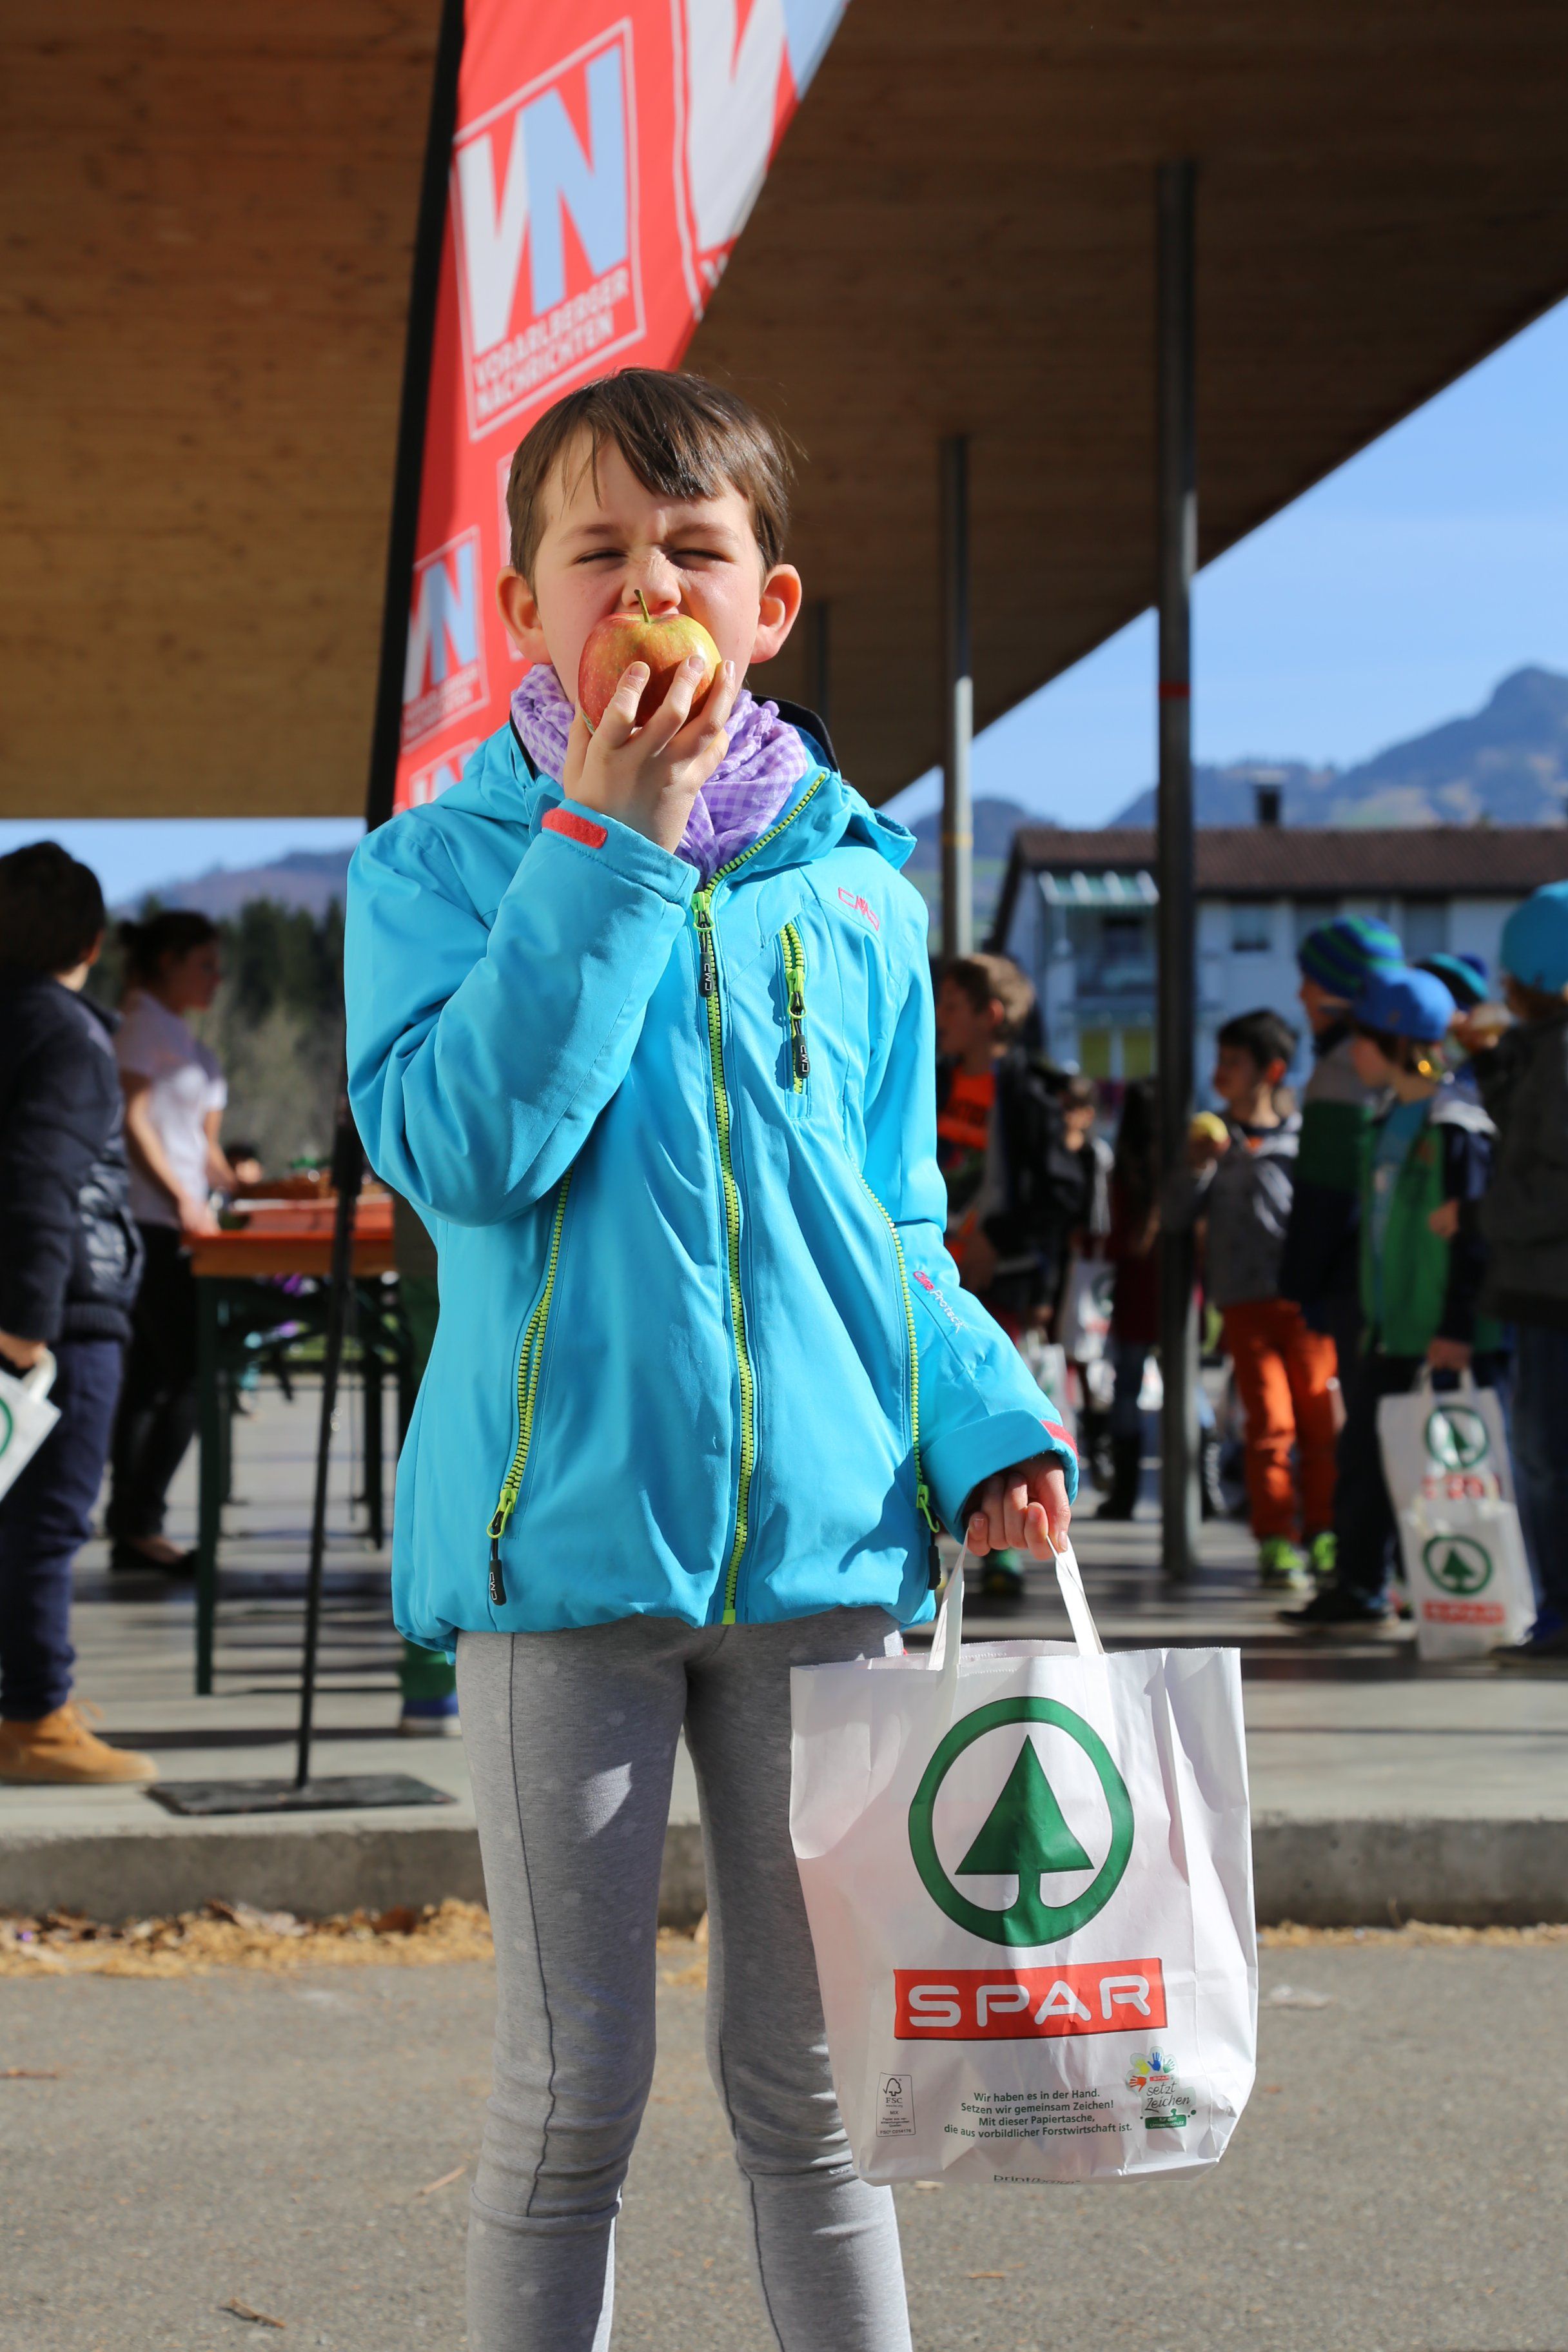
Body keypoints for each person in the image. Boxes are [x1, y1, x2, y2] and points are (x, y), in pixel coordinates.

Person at [345, 366, 1076, 2352]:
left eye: (694, 550)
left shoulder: (858, 888)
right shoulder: (432, 873)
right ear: (527, 609)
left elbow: (893, 1225)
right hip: (560, 1557)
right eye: (600, 552)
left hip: (828, 1560)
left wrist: (986, 1421)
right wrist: (612, 834)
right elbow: (466, 1154)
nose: (649, 585)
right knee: (572, 2091)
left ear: (771, 606)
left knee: (820, 2098)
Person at [0, 845, 156, 1785]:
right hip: (59, 1319)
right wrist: (26, 1327)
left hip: (37, 1307)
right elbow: (40, 1182)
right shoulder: (68, 1038)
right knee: (47, 1522)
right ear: (93, 943)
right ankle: (35, 1719)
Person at [1285, 965, 1494, 1630]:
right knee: (1366, 1459)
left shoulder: (1457, 1125)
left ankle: (1440, 1594)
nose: (1352, 1051)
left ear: (1399, 1042)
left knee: (1441, 1472)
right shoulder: (1384, 1118)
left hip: (1438, 1333)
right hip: (1387, 1329)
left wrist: (1457, 1324)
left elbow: (1472, 1240)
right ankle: (1362, 1586)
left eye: (1364, 1038)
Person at [1164, 1010, 1337, 1590]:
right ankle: (1276, 1538)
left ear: (1273, 1071)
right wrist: (1196, 1168)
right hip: (1243, 1303)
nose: (1221, 1072)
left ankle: (1324, 1531)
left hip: (1306, 1304)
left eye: (1234, 1062)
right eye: (1220, 1060)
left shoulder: (1303, 1138)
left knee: (1319, 1421)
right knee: (1269, 1423)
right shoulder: (1211, 1140)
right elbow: (1174, 1216)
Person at [933, 952, 1083, 1594]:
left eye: (951, 1006)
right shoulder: (930, 1080)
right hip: (932, 1275)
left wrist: (1000, 1241)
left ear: (990, 1015)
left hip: (998, 1278)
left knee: (996, 1404)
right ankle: (960, 1528)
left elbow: (1062, 1191)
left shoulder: (1027, 1093)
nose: (938, 1017)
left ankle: (1005, 1547)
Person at [106, 910, 233, 1574]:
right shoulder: (141, 1029)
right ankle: (139, 1522)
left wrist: (234, 1185)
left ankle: (132, 1526)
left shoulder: (177, 1036)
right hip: (151, 1222)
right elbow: (134, 1123)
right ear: (168, 962)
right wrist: (183, 1196)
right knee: (192, 1371)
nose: (216, 977)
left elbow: (199, 1145)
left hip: (180, 1221)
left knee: (157, 1375)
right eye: (204, 964)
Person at [1468, 885, 1568, 1663]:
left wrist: (1480, 1215)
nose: (1501, 986)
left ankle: (1559, 1610)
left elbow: (1553, 1181)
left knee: (1543, 1457)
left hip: (1550, 1289)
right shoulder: (1543, 1046)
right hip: (1539, 1286)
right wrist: (1488, 1060)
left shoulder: (1559, 1054)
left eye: (1512, 973)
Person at [1278, 914, 1403, 1379]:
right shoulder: (1396, 1056)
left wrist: (1299, 1283)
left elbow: (1327, 1192)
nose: (1300, 995)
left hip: (1355, 1282)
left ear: (1340, 993)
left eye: (1310, 982)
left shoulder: (1342, 1071)